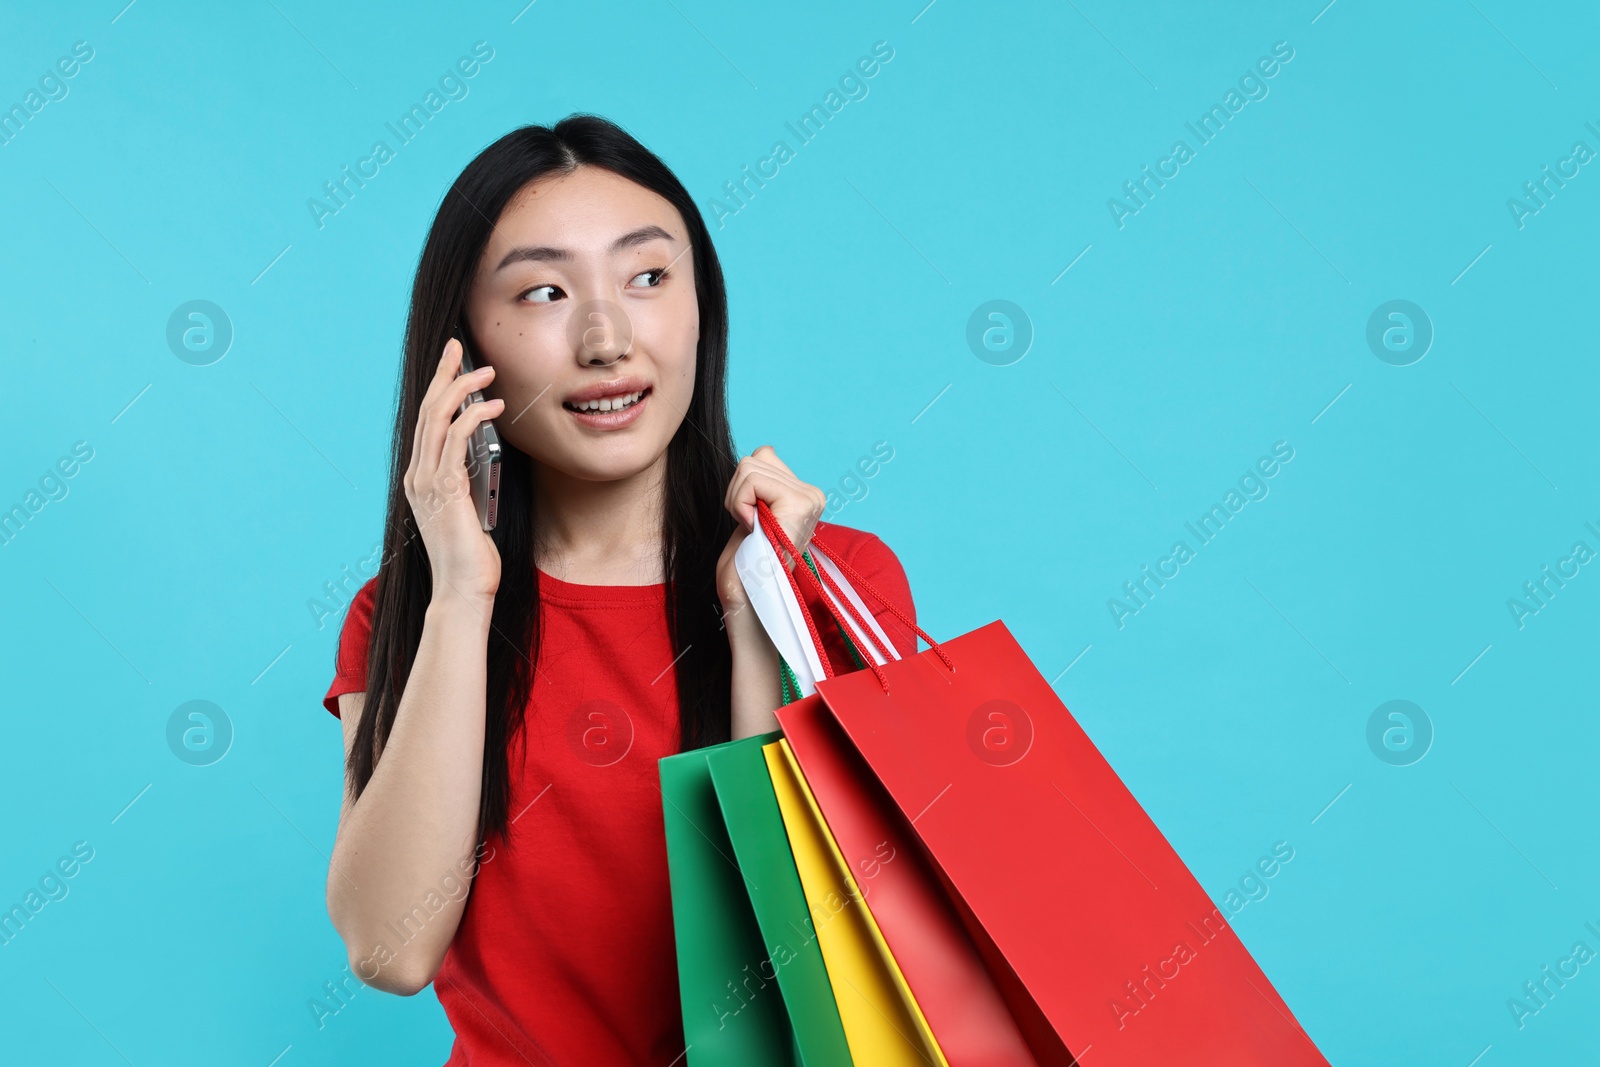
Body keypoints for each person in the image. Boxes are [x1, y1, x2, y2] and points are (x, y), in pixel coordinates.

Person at [320, 114, 917, 1066]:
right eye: (546, 291)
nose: (607, 339)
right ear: (464, 347)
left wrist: (756, 621)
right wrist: (462, 595)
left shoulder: (841, 580)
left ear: (701, 306)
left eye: (647, 277)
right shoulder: (412, 611)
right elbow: (390, 948)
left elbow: (820, 971)